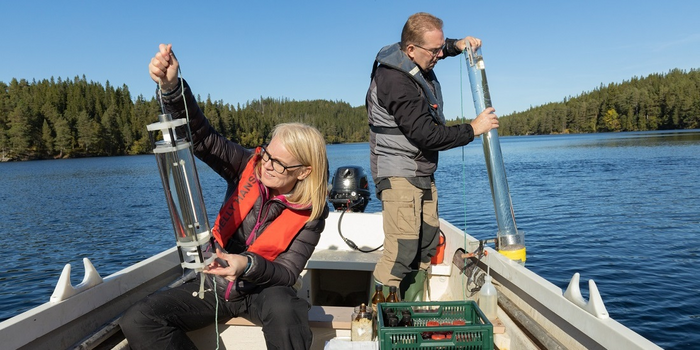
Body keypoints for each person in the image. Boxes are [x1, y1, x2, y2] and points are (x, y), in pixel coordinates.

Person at [119, 44, 329, 350]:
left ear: (303, 172)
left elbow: (286, 273)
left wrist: (245, 264)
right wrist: (172, 88)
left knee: (287, 311)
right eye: (267, 154)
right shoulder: (247, 165)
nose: (267, 165)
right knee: (138, 319)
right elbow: (202, 138)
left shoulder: (313, 212)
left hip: (263, 288)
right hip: (215, 284)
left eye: (279, 163)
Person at [366, 12, 500, 301]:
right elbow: (427, 135)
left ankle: (411, 309)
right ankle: (378, 323)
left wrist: (457, 45)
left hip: (421, 171)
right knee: (401, 251)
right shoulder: (394, 80)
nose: (440, 54)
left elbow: (436, 45)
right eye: (435, 50)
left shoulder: (416, 54)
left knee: (427, 243)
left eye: (442, 47)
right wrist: (473, 129)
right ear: (411, 50)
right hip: (399, 172)